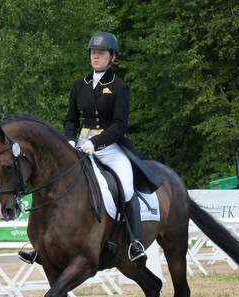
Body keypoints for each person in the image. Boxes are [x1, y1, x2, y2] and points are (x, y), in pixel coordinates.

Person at [19, 31, 147, 265]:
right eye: (93, 53)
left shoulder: (119, 87)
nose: (95, 57)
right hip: (79, 146)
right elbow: (71, 119)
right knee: (54, 183)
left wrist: (96, 142)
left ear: (112, 57)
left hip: (110, 148)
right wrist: (69, 139)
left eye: (101, 53)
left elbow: (120, 125)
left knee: (126, 188)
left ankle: (135, 242)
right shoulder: (80, 85)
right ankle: (40, 245)